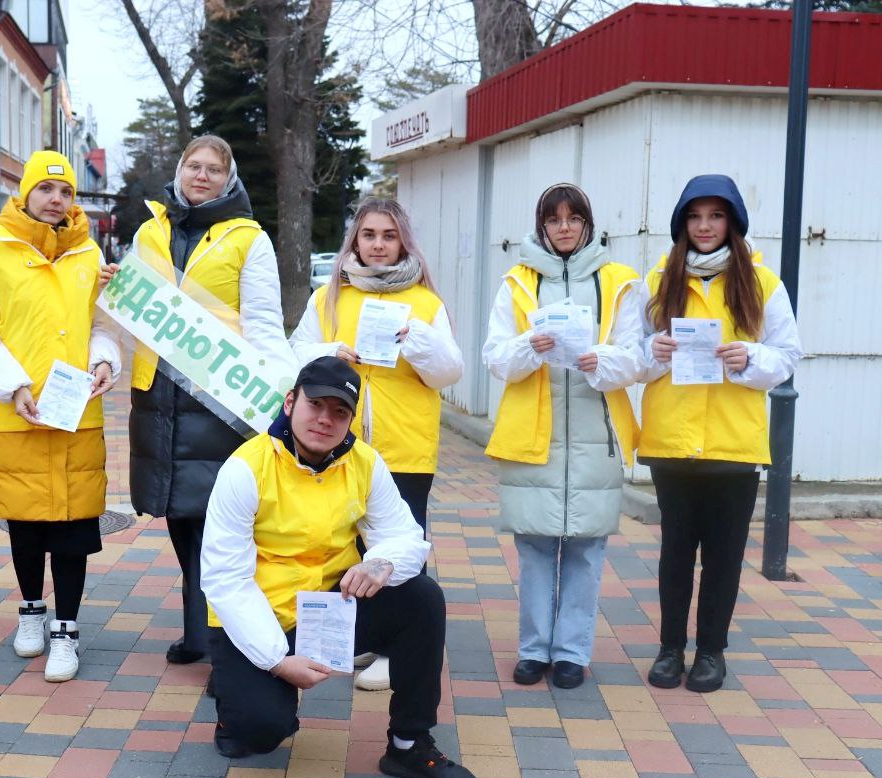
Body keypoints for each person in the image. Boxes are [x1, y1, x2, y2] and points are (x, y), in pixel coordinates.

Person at [200, 356, 478, 778]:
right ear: (291, 402)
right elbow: (225, 581)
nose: (326, 419)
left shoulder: (365, 462)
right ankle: (237, 697)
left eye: (340, 412)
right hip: (259, 615)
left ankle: (409, 744)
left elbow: (407, 536)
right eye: (316, 405)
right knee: (259, 733)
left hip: (329, 609)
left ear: (351, 418)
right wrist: (277, 661)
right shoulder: (244, 468)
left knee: (422, 598)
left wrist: (381, 563)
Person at [128, 134, 296, 666]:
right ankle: (198, 629)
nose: (201, 176)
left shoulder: (250, 239)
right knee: (178, 514)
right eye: (193, 166)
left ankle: (222, 638)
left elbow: (266, 325)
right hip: (160, 397)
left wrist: (279, 391)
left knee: (217, 523)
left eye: (213, 170)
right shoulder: (149, 231)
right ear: (179, 171)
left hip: (220, 399)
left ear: (230, 178)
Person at [0, 151, 120, 683]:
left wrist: (103, 360)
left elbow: (102, 324)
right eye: (47, 190)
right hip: (15, 413)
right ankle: (31, 612)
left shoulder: (90, 254)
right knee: (24, 523)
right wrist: (13, 385)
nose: (57, 200)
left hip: (77, 414)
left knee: (74, 527)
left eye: (67, 192)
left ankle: (66, 631)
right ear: (25, 194)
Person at [289, 197, 463, 692]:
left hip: (405, 445)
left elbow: (450, 371)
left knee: (401, 542)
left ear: (403, 240)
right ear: (355, 241)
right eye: (369, 235)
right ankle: (364, 630)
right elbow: (294, 353)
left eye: (389, 236)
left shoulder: (426, 302)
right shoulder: (330, 298)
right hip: (338, 447)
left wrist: (420, 342)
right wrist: (329, 351)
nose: (379, 245)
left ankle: (395, 647)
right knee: (349, 542)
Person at [639, 175, 801, 693]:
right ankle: (670, 650)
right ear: (681, 224)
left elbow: (786, 356)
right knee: (675, 553)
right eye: (694, 216)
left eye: (715, 216)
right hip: (672, 440)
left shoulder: (762, 282)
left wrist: (749, 356)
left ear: (732, 222)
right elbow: (632, 355)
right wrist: (653, 354)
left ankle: (711, 652)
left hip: (734, 444)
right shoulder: (657, 279)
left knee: (724, 557)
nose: (704, 226)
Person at [482, 183, 643, 690]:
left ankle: (571, 652)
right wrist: (531, 345)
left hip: (596, 435)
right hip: (534, 437)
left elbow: (638, 357)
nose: (565, 227)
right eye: (555, 220)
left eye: (574, 218)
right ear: (542, 227)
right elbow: (495, 357)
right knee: (534, 551)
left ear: (588, 224)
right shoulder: (517, 281)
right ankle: (533, 650)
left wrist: (606, 360)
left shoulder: (620, 281)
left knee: (585, 550)